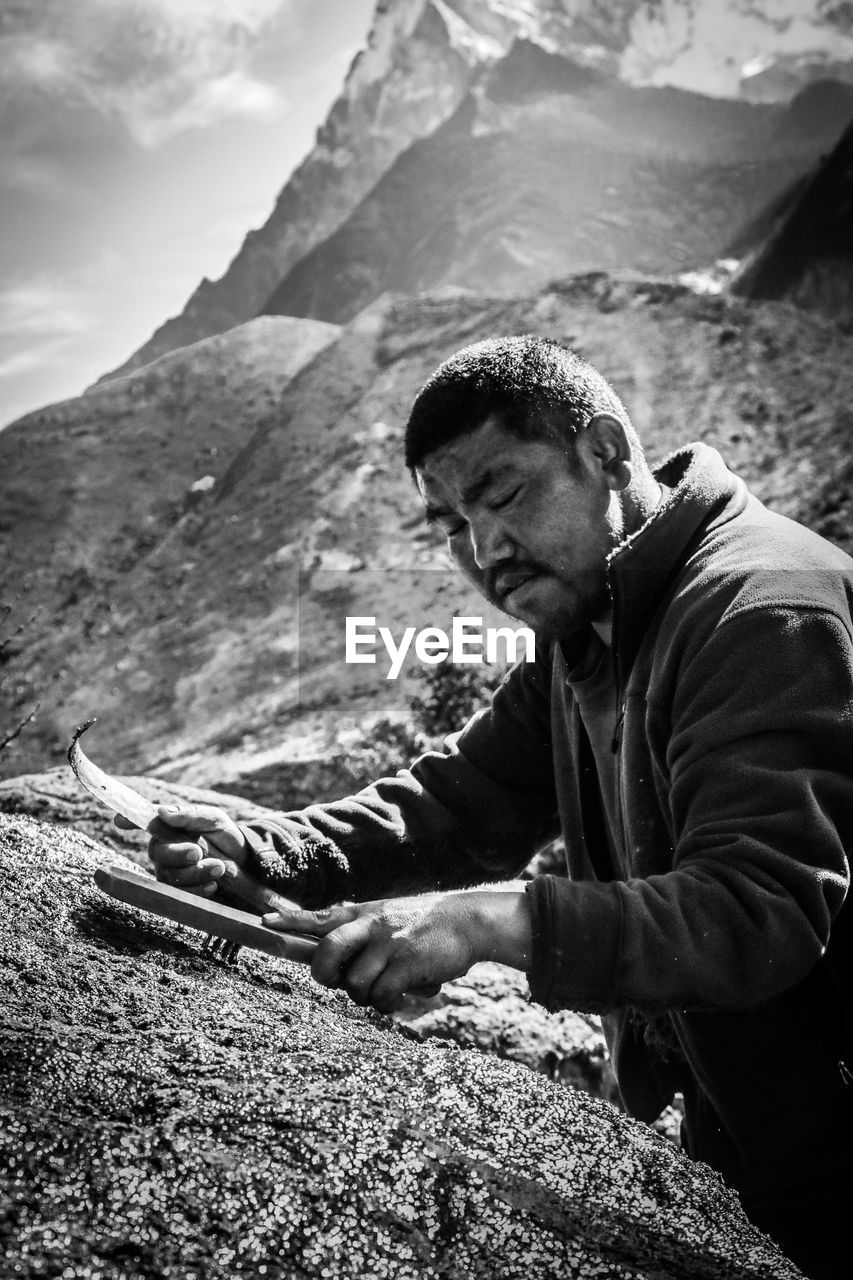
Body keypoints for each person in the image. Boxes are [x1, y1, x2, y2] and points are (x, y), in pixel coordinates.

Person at [135, 337, 852, 1278]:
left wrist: (481, 923)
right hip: (753, 1140)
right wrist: (268, 849)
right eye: (449, 523)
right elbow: (455, 802)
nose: (484, 552)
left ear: (603, 452)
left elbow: (753, 911)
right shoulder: (591, 626)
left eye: (505, 496)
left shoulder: (764, 609)